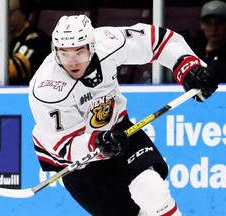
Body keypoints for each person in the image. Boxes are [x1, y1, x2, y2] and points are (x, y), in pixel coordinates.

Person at [28, 15, 219, 216]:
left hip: (119, 131)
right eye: (64, 54)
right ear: (54, 50)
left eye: (79, 52)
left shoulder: (108, 42)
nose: (72, 62)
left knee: (152, 190)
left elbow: (156, 41)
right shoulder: (46, 89)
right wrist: (97, 143)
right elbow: (63, 145)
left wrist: (187, 66)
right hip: (79, 162)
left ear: (92, 47)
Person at [191, 0, 226, 82]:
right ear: (202, 24)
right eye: (208, 23)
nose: (213, 28)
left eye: (219, 23)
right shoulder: (192, 52)